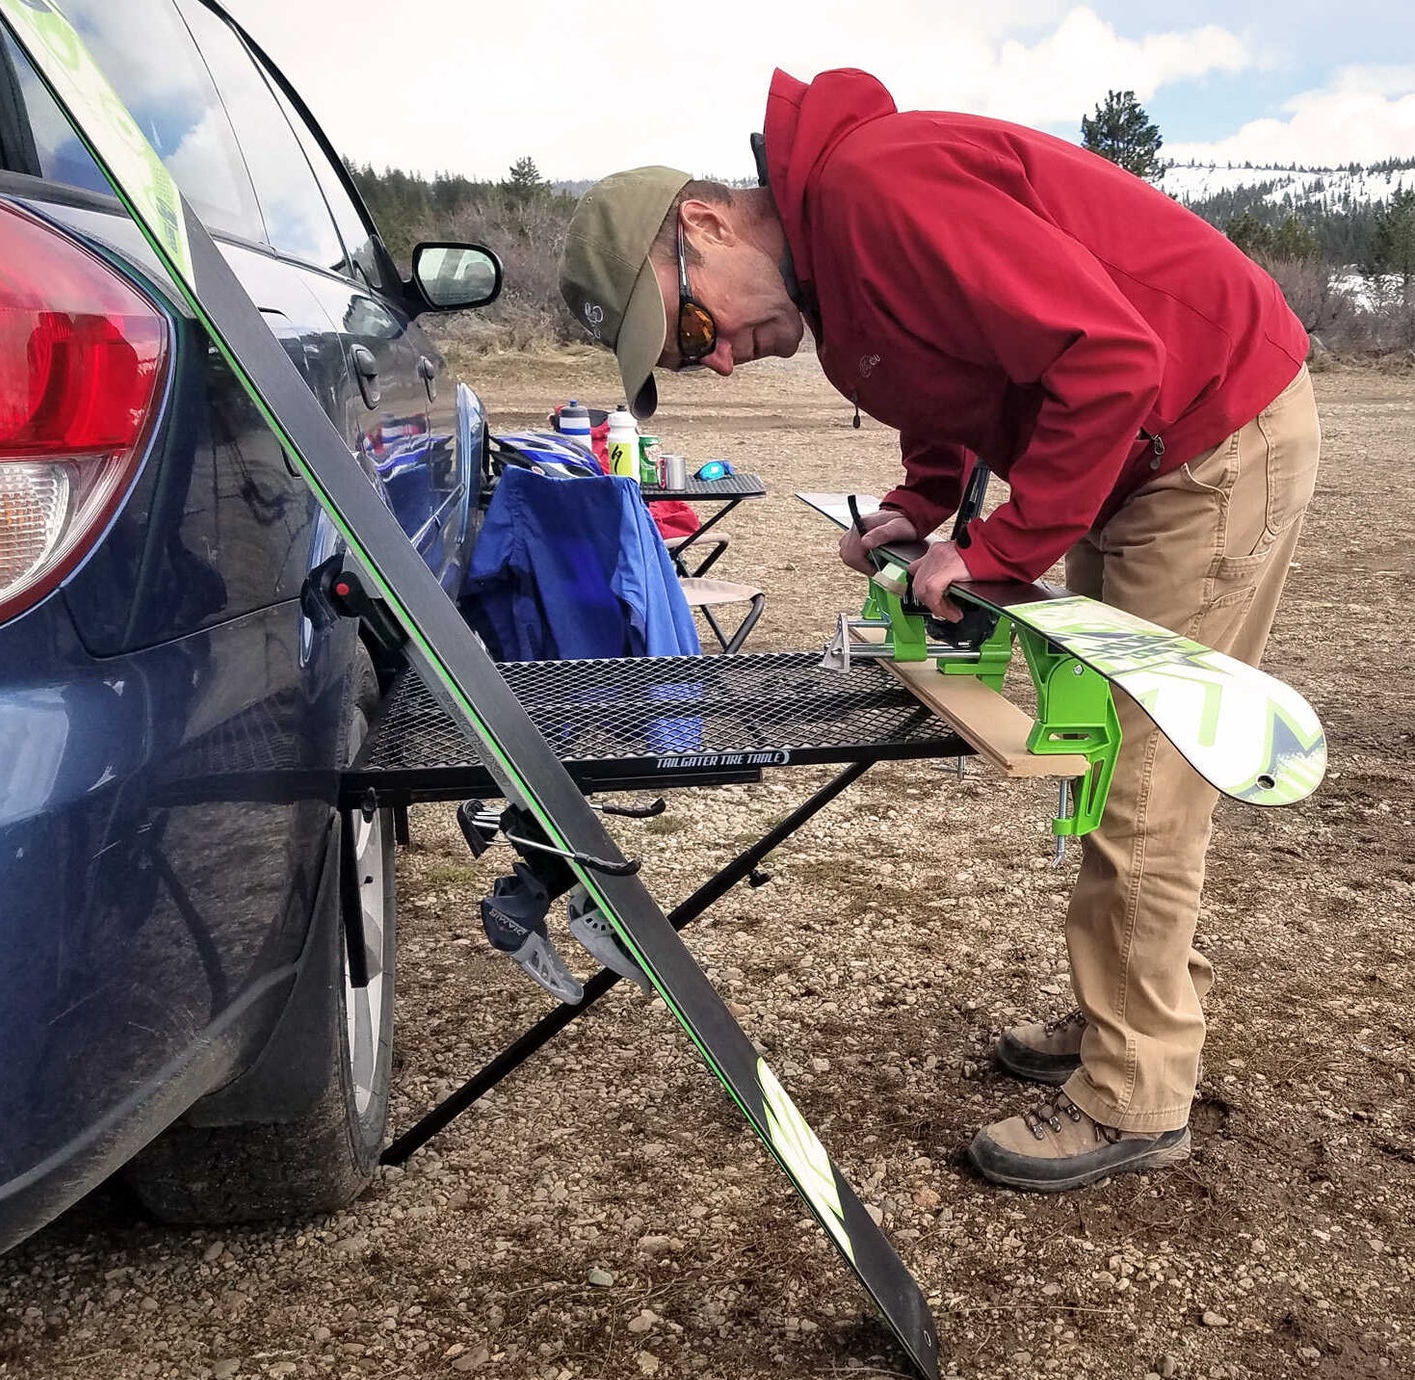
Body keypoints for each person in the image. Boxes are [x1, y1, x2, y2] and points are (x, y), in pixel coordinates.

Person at [557, 67, 1319, 1193]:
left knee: (1142, 778)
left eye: (695, 325)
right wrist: (921, 505)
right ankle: (1125, 1004)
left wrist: (999, 550)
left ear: (705, 223)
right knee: (1108, 754)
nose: (716, 356)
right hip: (1140, 456)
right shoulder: (834, 262)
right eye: (691, 358)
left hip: (1208, 436)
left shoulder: (875, 193)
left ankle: (1136, 1087)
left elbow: (1109, 359)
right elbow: (954, 371)